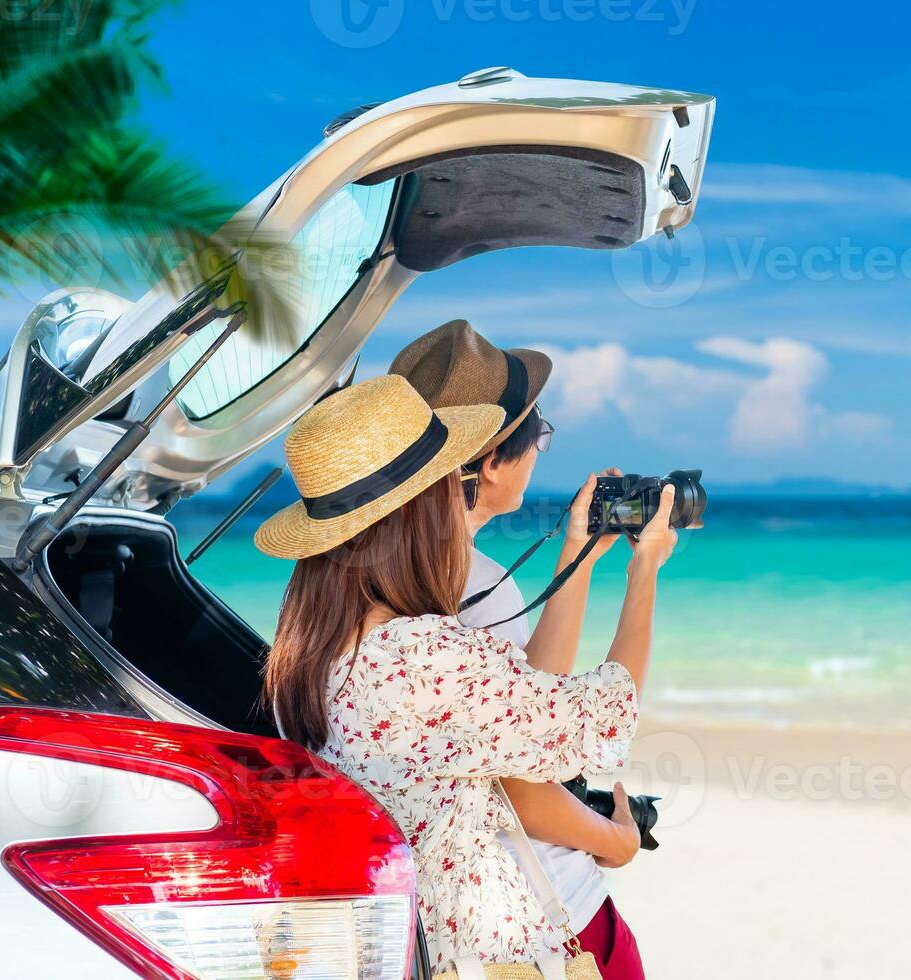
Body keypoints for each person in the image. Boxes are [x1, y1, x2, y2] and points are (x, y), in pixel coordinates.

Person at [256, 374, 677, 978]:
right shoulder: (422, 655)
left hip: (407, 941)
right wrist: (645, 573)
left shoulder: (306, 647)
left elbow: (513, 714)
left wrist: (578, 550)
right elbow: (605, 713)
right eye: (442, 487)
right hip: (476, 953)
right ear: (418, 512)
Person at [388, 319, 649, 978]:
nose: (540, 450)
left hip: (435, 927)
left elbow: (526, 706)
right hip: (537, 918)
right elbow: (527, 793)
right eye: (537, 435)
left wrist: (577, 554)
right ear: (486, 462)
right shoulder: (475, 587)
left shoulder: (369, 585)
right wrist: (614, 842)